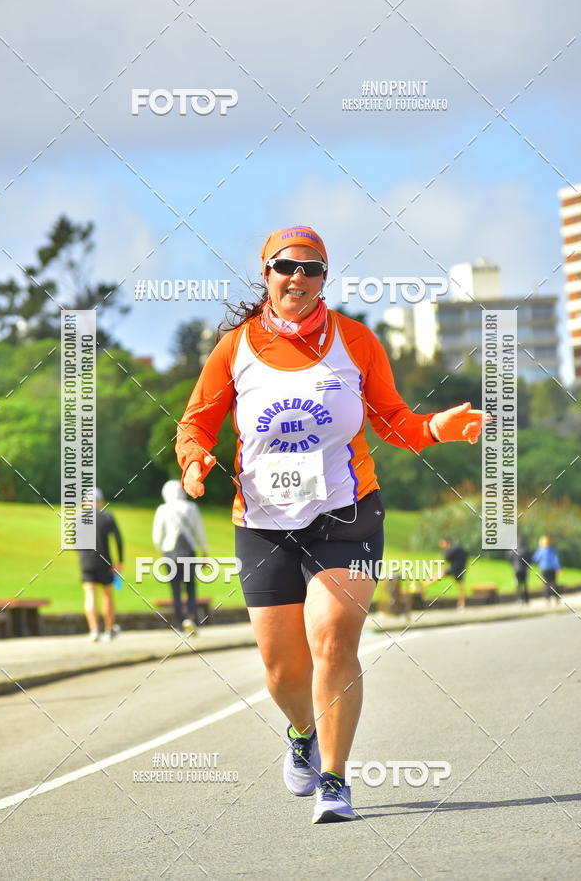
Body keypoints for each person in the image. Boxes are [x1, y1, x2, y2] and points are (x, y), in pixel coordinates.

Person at [175, 225, 491, 823]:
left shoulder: (356, 341)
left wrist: (435, 428)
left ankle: (335, 780)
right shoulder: (235, 349)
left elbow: (392, 421)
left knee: (334, 638)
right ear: (265, 272)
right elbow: (195, 424)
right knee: (281, 668)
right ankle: (302, 734)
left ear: (326, 277)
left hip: (348, 512)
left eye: (312, 268)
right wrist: (194, 461)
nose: (299, 277)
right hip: (263, 524)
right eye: (286, 266)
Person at [152, 479, 208, 634]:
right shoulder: (191, 507)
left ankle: (179, 622)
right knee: (190, 587)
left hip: (170, 553)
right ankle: (191, 617)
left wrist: (162, 549)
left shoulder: (162, 509)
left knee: (175, 589)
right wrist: (204, 551)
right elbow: (200, 533)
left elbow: (157, 537)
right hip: (189, 551)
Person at [77, 487, 124, 642]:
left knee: (89, 594)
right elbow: (118, 539)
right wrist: (120, 560)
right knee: (107, 595)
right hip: (104, 562)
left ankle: (94, 630)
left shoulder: (78, 519)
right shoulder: (107, 516)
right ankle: (109, 630)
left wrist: (82, 556)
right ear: (100, 501)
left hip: (86, 562)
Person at [438, 538, 468, 609]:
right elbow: (466, 555)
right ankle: (461, 604)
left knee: (438, 575)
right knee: (460, 587)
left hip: (454, 569)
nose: (442, 546)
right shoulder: (458, 548)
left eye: (443, 544)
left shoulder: (450, 549)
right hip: (461, 569)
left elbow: (447, 558)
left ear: (446, 542)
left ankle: (422, 586)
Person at [532, 535, 561, 604]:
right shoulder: (552, 550)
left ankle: (547, 599)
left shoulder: (540, 550)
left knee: (546, 584)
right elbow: (555, 560)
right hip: (551, 569)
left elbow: (535, 559)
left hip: (544, 569)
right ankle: (556, 598)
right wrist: (558, 568)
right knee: (553, 583)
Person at [508, 536, 533, 605]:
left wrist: (512, 565)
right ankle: (526, 599)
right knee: (525, 584)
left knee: (518, 584)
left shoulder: (513, 550)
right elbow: (530, 559)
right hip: (524, 569)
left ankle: (519, 599)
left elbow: (509, 558)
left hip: (516, 569)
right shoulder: (526, 549)